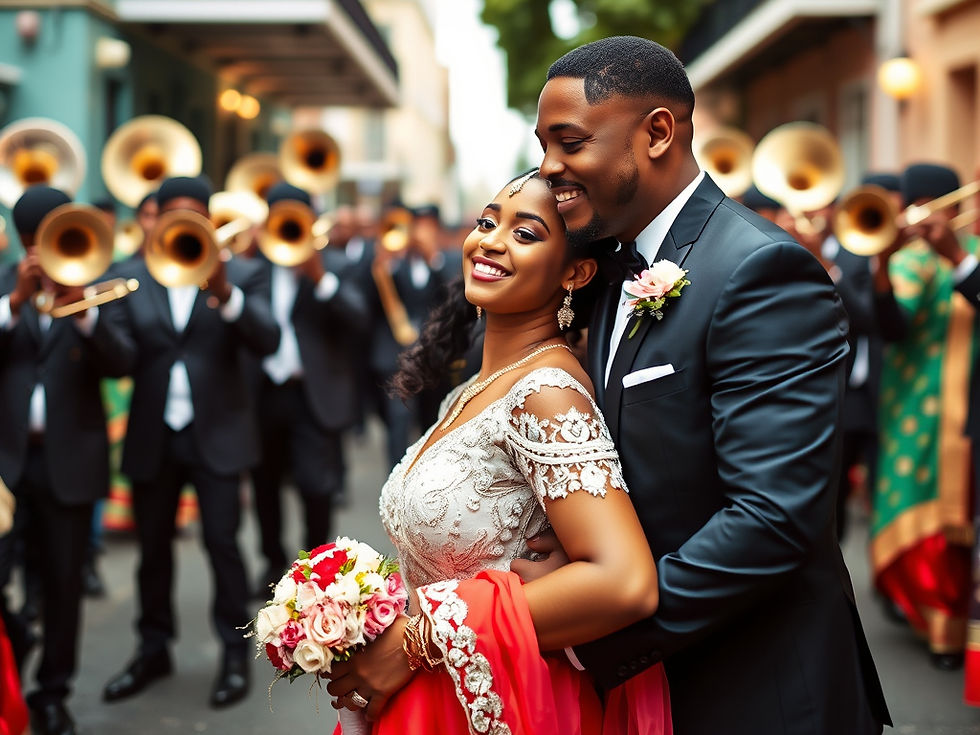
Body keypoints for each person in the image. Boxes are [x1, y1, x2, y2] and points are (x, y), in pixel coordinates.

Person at [525, 36, 888, 733]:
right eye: (543, 143)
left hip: (758, 690)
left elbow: (773, 517)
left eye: (569, 142)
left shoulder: (762, 271)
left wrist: (591, 624)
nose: (550, 166)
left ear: (658, 132)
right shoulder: (606, 266)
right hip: (654, 692)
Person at [323, 171, 670, 735]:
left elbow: (623, 582)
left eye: (526, 234)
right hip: (439, 691)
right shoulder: (475, 389)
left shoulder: (548, 395)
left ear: (576, 272)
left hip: (508, 700)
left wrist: (418, 640)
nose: (490, 240)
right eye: (488, 222)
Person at [101, 176, 280, 708]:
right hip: (153, 435)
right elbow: (120, 360)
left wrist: (225, 293)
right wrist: (89, 321)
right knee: (152, 551)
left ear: (207, 219)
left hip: (218, 434)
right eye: (168, 214)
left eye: (190, 216)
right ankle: (152, 649)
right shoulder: (127, 275)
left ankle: (233, 653)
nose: (178, 225)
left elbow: (267, 339)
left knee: (223, 546)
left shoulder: (244, 272)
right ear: (153, 218)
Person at [0, 186, 135, 735]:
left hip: (69, 465)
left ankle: (52, 693)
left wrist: (80, 306)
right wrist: (13, 303)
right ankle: (16, 638)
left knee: (62, 586)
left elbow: (122, 361)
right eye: (35, 242)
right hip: (7, 467)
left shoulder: (97, 289)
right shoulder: (4, 286)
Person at [869, 163, 977, 672]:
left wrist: (953, 255)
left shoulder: (969, 255)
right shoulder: (911, 260)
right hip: (916, 406)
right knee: (921, 506)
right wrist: (881, 269)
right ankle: (936, 624)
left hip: (963, 414)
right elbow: (890, 328)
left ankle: (954, 629)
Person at [244, 182, 368, 596]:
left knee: (317, 486)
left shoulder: (336, 266)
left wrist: (320, 279)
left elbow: (359, 320)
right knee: (265, 483)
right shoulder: (251, 268)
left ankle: (316, 565)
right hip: (263, 392)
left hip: (313, 394)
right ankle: (271, 559)